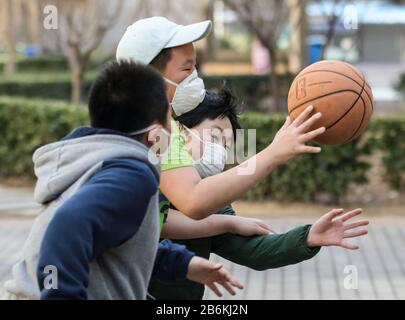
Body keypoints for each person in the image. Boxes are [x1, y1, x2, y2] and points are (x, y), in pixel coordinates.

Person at [1, 61, 242, 300]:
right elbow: (66, 225)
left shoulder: (95, 159)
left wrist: (183, 263)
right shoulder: (132, 173)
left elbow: (120, 241)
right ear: (159, 128)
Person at [148, 89, 370, 299]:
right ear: (177, 130)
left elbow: (254, 251)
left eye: (226, 146)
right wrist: (227, 223)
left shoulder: (212, 201)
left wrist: (309, 237)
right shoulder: (143, 178)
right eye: (214, 138)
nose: (220, 152)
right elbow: (159, 224)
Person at [116, 17, 327, 221]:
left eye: (195, 68)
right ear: (149, 75)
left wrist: (222, 226)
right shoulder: (154, 129)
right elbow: (194, 200)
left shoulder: (132, 121)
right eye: (187, 69)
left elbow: (156, 222)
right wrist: (273, 153)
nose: (195, 78)